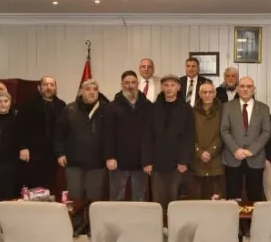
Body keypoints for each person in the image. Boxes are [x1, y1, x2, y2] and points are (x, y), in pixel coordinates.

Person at [55, 79, 108, 202]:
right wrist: (60, 153)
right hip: (74, 162)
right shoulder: (70, 109)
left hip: (97, 163)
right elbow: (59, 133)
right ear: (81, 92)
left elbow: (111, 135)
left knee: (94, 199)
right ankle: (76, 216)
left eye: (95, 89)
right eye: (88, 89)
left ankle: (91, 216)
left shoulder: (106, 109)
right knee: (75, 198)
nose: (92, 92)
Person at [148, 74, 195, 213]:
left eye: (172, 85)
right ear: (162, 88)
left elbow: (189, 136)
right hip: (157, 162)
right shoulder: (153, 108)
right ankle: (159, 224)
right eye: (166, 85)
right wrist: (147, 161)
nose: (169, 88)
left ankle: (174, 225)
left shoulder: (186, 109)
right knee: (158, 200)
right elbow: (147, 136)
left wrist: (183, 160)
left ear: (178, 87)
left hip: (177, 163)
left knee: (175, 201)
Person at [220, 76, 271, 201]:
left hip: (255, 158)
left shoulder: (264, 108)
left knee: (255, 196)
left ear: (254, 89)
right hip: (233, 157)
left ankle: (252, 215)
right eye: (242, 86)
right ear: (237, 89)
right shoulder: (227, 106)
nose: (245, 89)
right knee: (232, 197)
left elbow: (266, 132)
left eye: (249, 86)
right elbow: (224, 130)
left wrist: (252, 150)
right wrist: (235, 149)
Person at [104, 71, 152, 201]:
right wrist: (109, 157)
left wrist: (148, 160)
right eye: (127, 83)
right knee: (116, 198)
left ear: (138, 84)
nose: (130, 86)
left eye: (133, 82)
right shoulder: (112, 106)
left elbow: (149, 135)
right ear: (122, 85)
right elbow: (107, 134)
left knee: (140, 198)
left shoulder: (147, 106)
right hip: (118, 162)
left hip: (141, 162)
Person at [17, 76, 66, 191]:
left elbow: (64, 131)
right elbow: (19, 127)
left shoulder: (61, 105)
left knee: (49, 187)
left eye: (52, 85)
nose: (49, 87)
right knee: (32, 187)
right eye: (45, 84)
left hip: (52, 155)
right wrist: (22, 147)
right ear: (39, 87)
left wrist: (62, 152)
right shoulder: (28, 104)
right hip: (32, 153)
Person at [193, 81, 225, 198]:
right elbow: (189, 135)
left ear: (215, 94)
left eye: (210, 92)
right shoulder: (192, 111)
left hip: (217, 160)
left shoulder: (223, 110)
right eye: (204, 92)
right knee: (198, 201)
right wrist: (200, 152)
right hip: (197, 161)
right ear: (200, 94)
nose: (207, 95)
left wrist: (211, 151)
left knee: (216, 201)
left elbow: (224, 133)